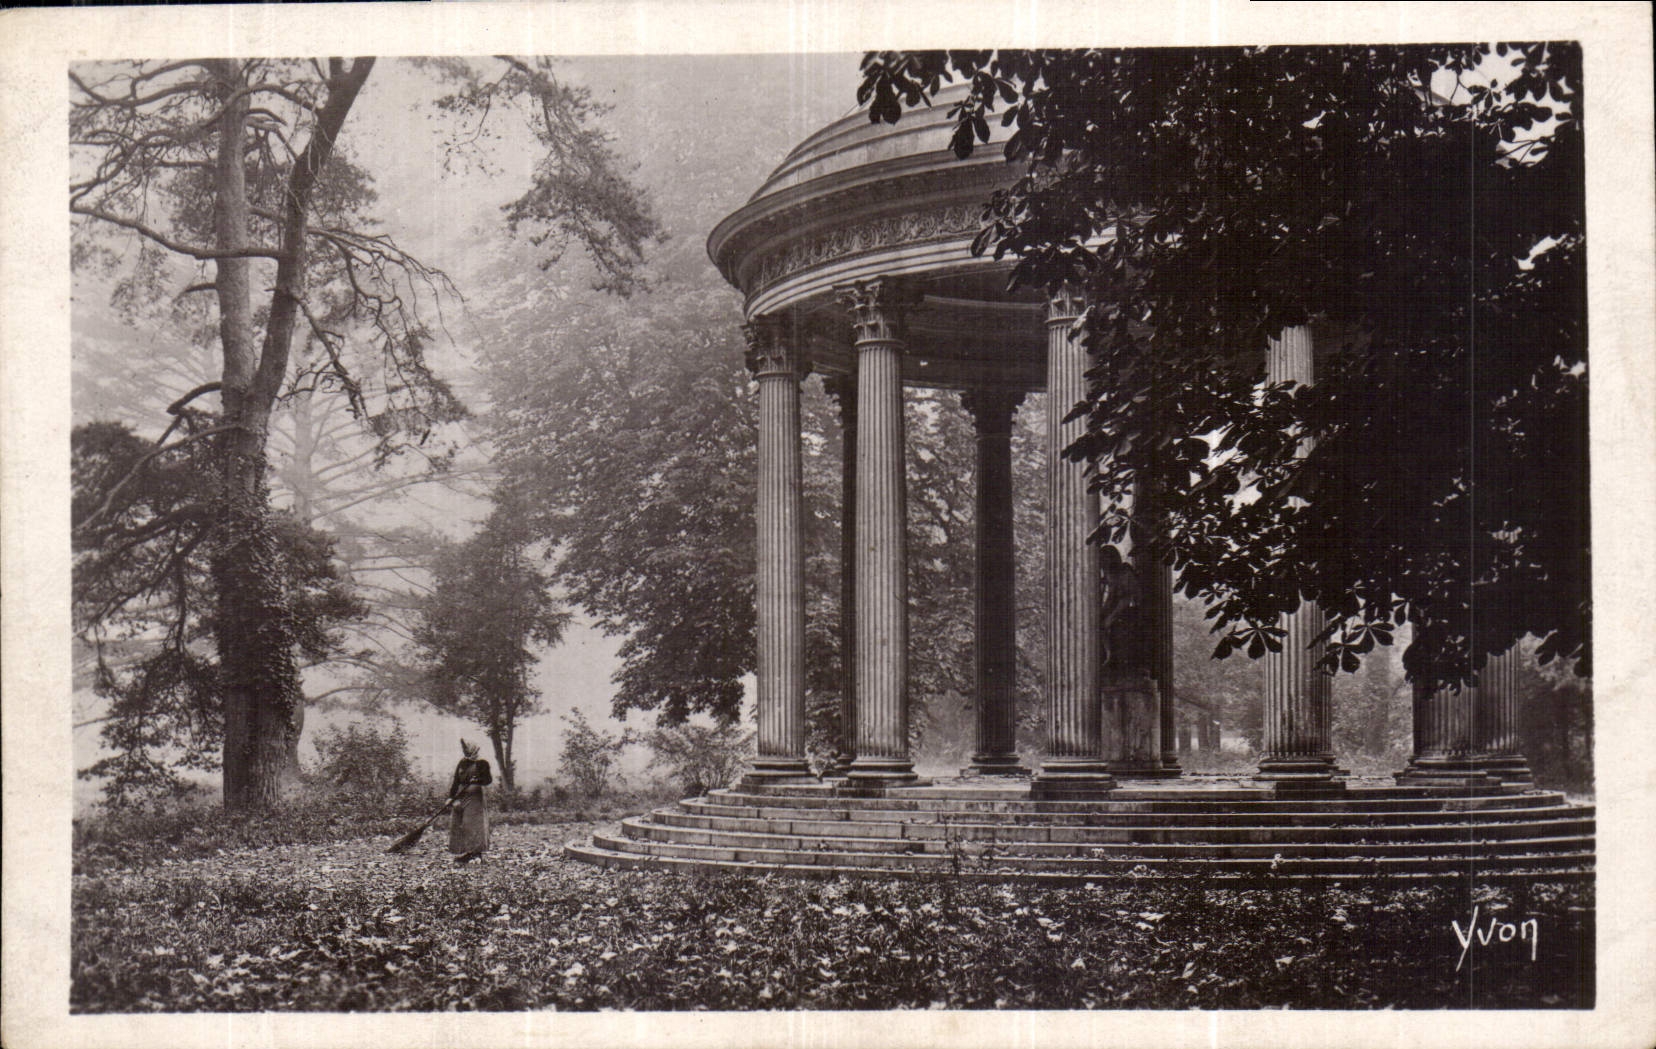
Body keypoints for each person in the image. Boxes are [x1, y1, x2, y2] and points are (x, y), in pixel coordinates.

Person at [448, 739, 492, 864]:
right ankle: (466, 853)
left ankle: (476, 854)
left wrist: (477, 780)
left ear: (474, 749)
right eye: (464, 749)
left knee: (473, 824)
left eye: (467, 749)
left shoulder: (482, 763)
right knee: (460, 824)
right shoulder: (462, 763)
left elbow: (487, 780)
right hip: (461, 796)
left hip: (475, 798)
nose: (465, 751)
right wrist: (451, 797)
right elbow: (456, 781)